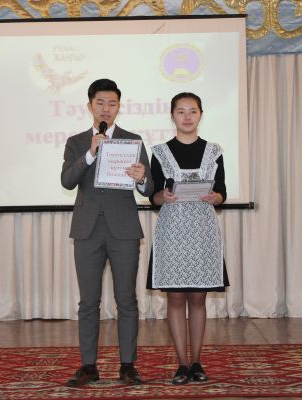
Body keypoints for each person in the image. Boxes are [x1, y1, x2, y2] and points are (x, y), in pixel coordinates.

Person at [61, 78, 153, 386]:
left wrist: (141, 178)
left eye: (112, 103)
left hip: (123, 229)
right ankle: (88, 365)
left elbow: (148, 188)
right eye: (100, 103)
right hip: (87, 230)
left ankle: (128, 365)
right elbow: (67, 181)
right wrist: (90, 153)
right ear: (89, 106)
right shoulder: (76, 142)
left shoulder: (132, 140)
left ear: (118, 107)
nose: (106, 109)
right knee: (88, 302)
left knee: (126, 299)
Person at [147, 92, 229, 385]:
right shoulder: (159, 152)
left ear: (200, 114)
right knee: (175, 298)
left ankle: (197, 361)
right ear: (172, 116)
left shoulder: (214, 151)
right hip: (173, 232)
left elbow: (222, 191)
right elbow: (153, 196)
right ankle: (181, 363)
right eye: (180, 111)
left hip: (203, 232)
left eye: (192, 111)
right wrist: (163, 196)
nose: (187, 116)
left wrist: (216, 197)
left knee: (198, 298)